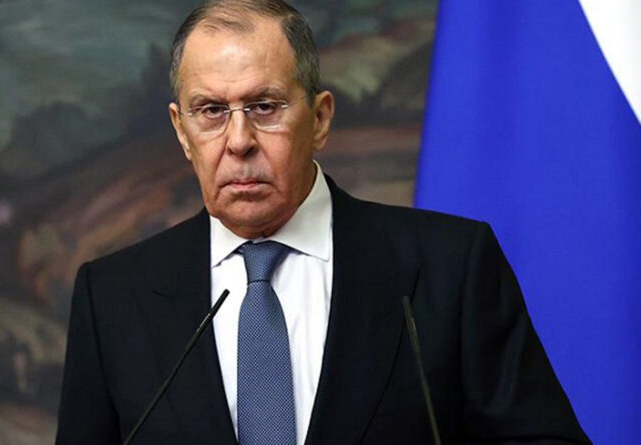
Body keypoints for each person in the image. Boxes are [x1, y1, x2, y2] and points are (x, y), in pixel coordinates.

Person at [56, 1, 590, 444]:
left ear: (319, 118)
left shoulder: (450, 266)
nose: (238, 141)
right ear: (181, 131)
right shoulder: (112, 296)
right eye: (212, 111)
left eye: (264, 106)